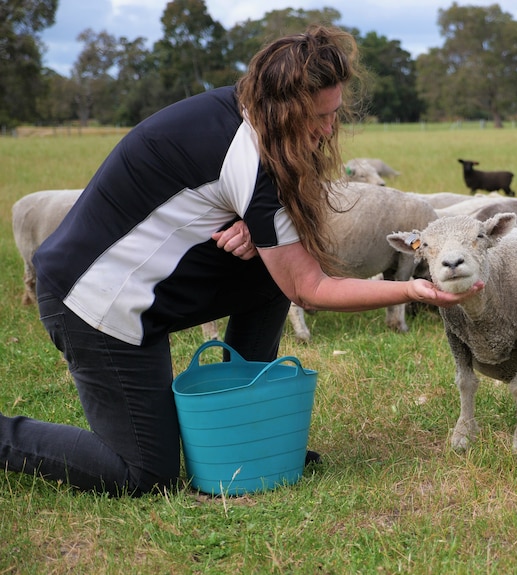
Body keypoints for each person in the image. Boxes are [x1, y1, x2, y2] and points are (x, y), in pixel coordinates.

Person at [0, 25, 482, 497]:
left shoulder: (244, 108)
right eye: (319, 116)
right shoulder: (252, 159)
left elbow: (249, 220)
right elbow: (309, 288)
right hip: (90, 304)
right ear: (287, 108)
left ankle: (245, 428)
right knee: (143, 472)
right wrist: (415, 290)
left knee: (269, 269)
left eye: (335, 113)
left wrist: (257, 228)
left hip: (134, 291)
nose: (330, 127)